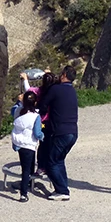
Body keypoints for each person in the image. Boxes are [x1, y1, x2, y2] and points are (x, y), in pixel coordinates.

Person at [38, 65, 78, 201]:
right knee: (59, 160)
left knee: (51, 162)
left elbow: (42, 105)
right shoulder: (72, 91)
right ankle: (62, 187)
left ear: (64, 74)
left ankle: (62, 190)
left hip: (60, 132)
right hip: (72, 132)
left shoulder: (55, 89)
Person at [11, 91, 44, 202]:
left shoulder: (18, 111)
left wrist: (18, 102)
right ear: (35, 103)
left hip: (19, 144)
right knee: (27, 170)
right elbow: (37, 133)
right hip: (29, 145)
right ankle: (23, 193)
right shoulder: (36, 116)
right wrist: (42, 137)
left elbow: (13, 111)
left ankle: (28, 183)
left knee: (26, 166)